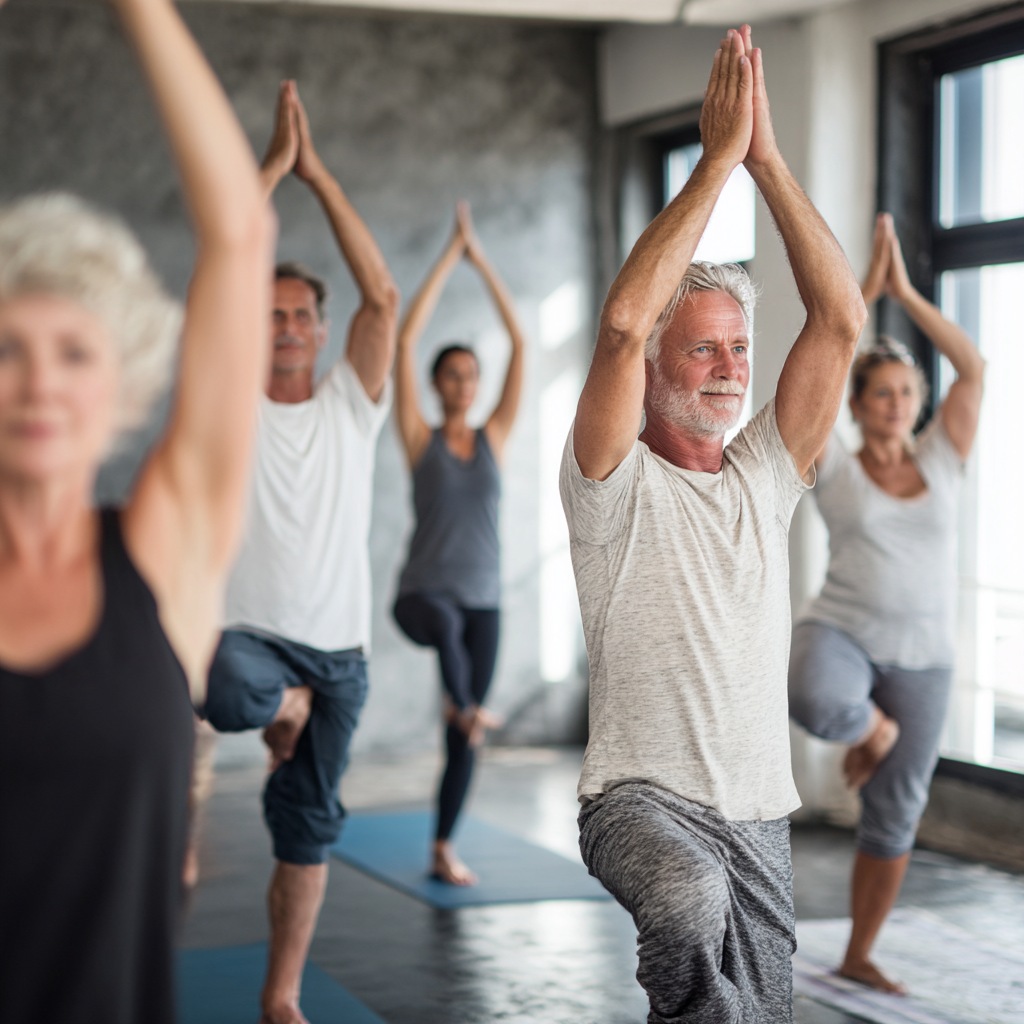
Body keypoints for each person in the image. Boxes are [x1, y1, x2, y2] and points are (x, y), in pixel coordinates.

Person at [560, 26, 867, 1023]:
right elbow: (618, 323)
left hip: (760, 814)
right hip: (636, 803)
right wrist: (712, 164)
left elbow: (838, 323)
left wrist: (767, 161)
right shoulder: (611, 479)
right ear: (654, 369)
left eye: (738, 348)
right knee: (686, 907)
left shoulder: (764, 474)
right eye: (702, 351)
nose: (732, 367)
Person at [0, 0, 273, 1017]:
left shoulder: (168, 551)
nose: (37, 383)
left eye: (72, 352)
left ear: (120, 389)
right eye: (7, 350)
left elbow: (241, 234)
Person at [200, 80, 399, 1024]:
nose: (283, 327)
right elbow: (215, 269)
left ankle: (281, 997)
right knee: (217, 684)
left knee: (306, 831)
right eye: (269, 314)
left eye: (298, 317)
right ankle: (280, 708)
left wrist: (318, 176)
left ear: (319, 332)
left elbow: (384, 295)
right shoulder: (227, 401)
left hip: (342, 654)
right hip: (254, 641)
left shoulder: (351, 408)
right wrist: (270, 170)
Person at [788, 213, 984, 994]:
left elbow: (974, 369)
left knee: (895, 811)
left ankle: (860, 951)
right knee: (811, 693)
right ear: (860, 403)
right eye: (882, 393)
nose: (898, 403)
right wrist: (864, 293)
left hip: (927, 655)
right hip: (844, 633)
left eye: (908, 392)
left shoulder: (944, 457)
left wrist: (908, 290)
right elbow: (825, 355)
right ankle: (869, 726)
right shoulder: (831, 462)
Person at [391, 202, 524, 885]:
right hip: (422, 598)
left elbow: (522, 345)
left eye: (472, 376)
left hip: (485, 600)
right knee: (444, 628)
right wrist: (449, 259)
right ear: (437, 384)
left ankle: (444, 845)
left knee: (460, 737)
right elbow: (404, 340)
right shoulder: (420, 438)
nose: (464, 385)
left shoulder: (494, 439)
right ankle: (467, 703)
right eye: (453, 375)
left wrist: (485, 264)